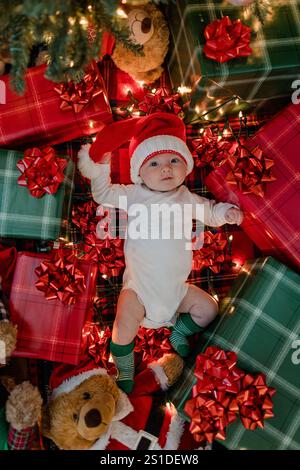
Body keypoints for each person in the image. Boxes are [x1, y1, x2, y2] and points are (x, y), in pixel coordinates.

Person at [78, 112, 243, 392]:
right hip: (139, 291)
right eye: (154, 163)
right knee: (124, 322)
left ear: (186, 166)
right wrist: (101, 167)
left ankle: (180, 329)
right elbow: (103, 194)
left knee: (209, 309)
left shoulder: (186, 198)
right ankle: (125, 370)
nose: (166, 168)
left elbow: (210, 212)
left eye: (174, 160)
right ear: (139, 172)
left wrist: (226, 213)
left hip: (177, 292)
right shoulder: (133, 195)